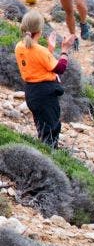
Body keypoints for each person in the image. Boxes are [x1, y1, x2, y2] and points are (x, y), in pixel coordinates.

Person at [15, 10, 75, 149]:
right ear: (40, 30)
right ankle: (49, 157)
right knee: (51, 129)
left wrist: (50, 50)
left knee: (43, 127)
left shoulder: (19, 46)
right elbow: (59, 68)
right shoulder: (39, 50)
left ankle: (46, 153)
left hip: (32, 93)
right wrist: (65, 50)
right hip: (45, 94)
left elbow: (39, 65)